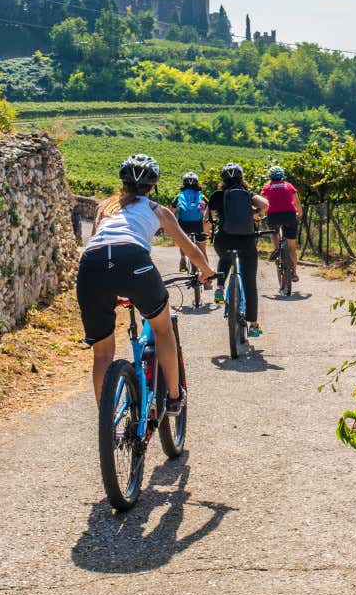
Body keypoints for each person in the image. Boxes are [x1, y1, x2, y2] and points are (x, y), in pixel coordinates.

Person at [77, 154, 215, 415]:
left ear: (122, 183)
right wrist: (207, 272)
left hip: (91, 268)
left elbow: (99, 245)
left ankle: (107, 421)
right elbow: (191, 250)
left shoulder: (104, 207)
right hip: (133, 262)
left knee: (102, 353)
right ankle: (174, 398)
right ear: (152, 187)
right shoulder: (157, 210)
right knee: (162, 330)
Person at [208, 162, 269, 337]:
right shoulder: (247, 194)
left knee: (225, 257)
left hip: (224, 239)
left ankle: (220, 286)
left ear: (223, 180)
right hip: (247, 242)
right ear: (242, 178)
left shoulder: (218, 195)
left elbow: (209, 218)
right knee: (250, 282)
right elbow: (265, 204)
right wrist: (254, 211)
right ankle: (254, 325)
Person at [261, 165, 302, 283]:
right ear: (282, 176)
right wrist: (300, 213)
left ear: (270, 176)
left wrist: (258, 215)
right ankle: (294, 273)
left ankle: (276, 249)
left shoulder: (267, 187)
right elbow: (297, 202)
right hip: (289, 215)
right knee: (292, 249)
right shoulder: (289, 185)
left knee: (274, 232)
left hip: (273, 215)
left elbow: (262, 203)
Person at [173, 171, 209, 277]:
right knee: (203, 250)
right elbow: (209, 208)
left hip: (183, 224)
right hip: (199, 225)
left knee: (183, 241)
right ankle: (207, 278)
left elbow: (172, 210)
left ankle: (183, 257)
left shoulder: (180, 195)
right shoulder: (201, 195)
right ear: (197, 183)